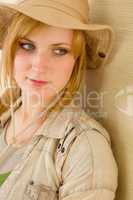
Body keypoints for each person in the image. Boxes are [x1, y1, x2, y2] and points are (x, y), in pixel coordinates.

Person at [0, 0, 118, 199]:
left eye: (59, 50)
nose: (39, 65)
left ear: (76, 61)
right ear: (10, 49)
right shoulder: (4, 114)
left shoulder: (84, 146)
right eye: (27, 45)